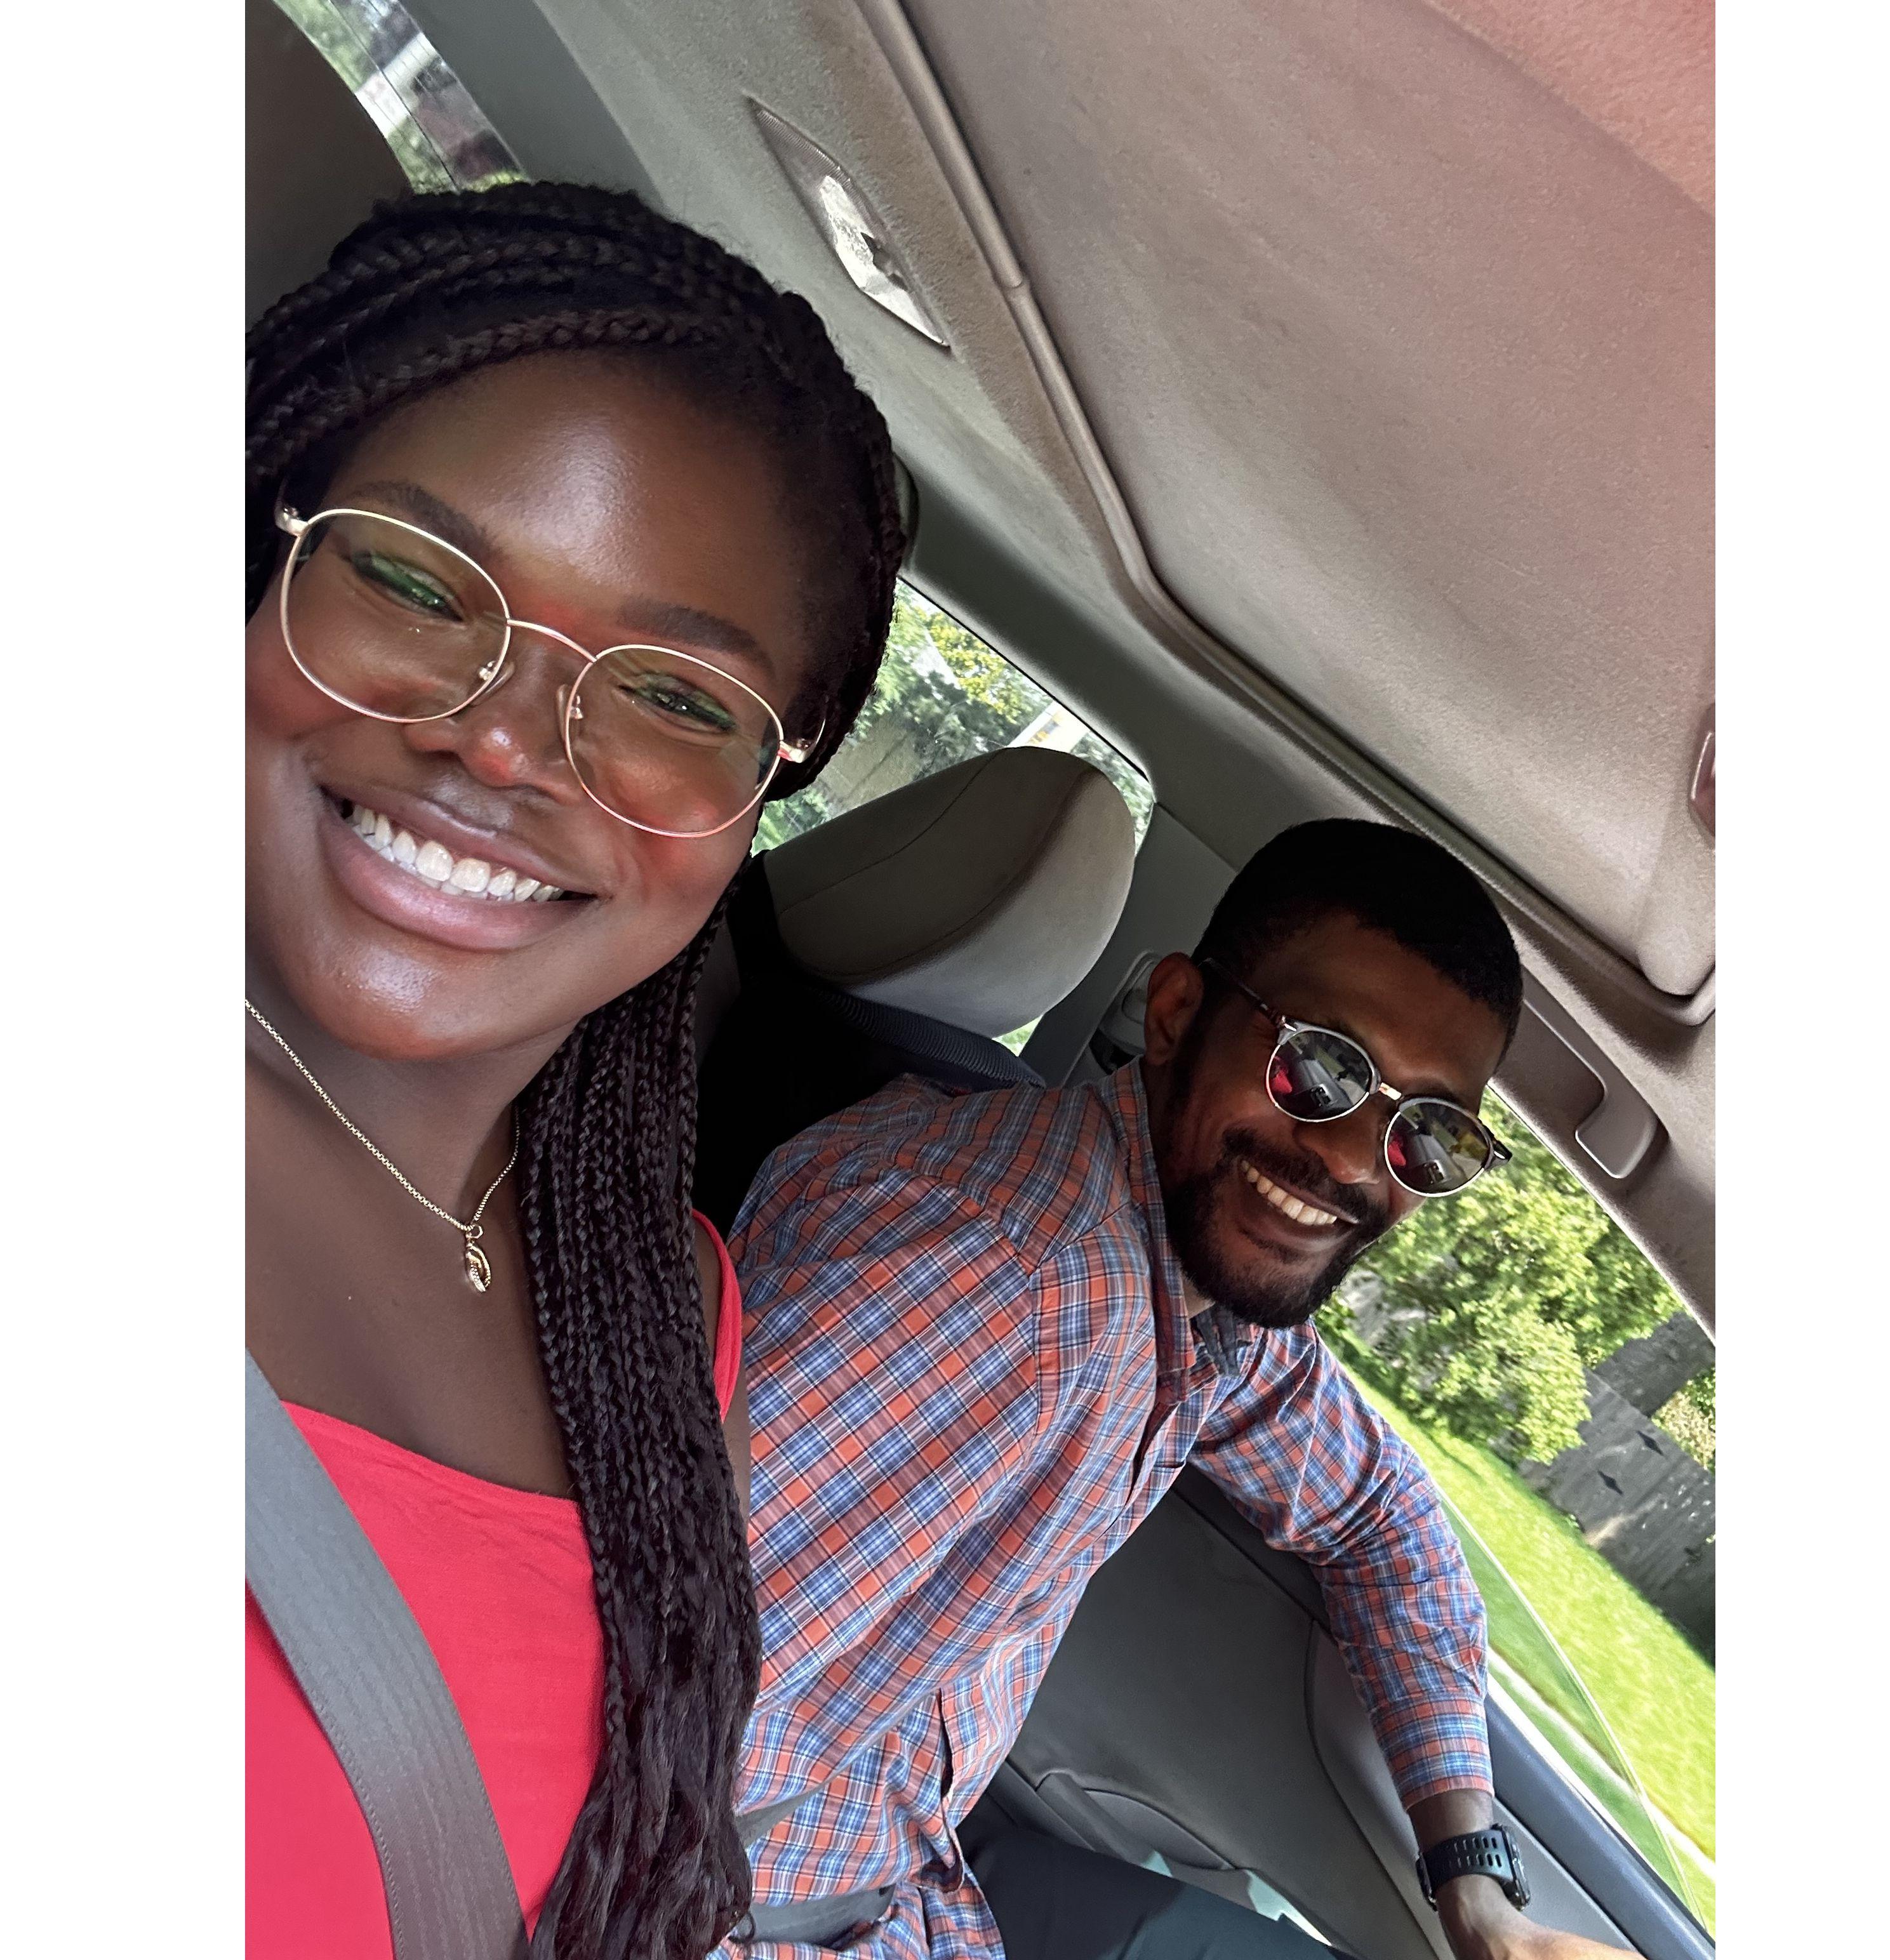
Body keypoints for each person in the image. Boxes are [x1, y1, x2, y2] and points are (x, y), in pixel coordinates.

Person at [244, 183, 902, 1959]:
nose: (504, 740)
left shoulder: (665, 1308)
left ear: (759, 800)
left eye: (678, 697)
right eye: (413, 579)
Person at [726, 820, 1639, 1960]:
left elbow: (1382, 1514)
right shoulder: (1008, 1286)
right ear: (1173, 1017)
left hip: (909, 1873)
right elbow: (626, 1732)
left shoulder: (1201, 1298)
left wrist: (1479, 1894)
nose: (1354, 1160)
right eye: (1321, 1068)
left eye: (1427, 1135)